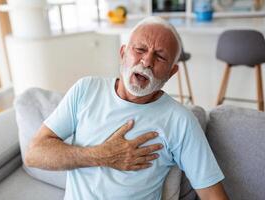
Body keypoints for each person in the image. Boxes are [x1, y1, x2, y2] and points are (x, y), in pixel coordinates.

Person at [25, 16, 229, 200]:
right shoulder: (86, 89)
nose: (147, 61)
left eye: (160, 57)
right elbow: (34, 154)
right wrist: (100, 155)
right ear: (123, 53)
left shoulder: (180, 120)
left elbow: (213, 194)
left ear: (171, 72)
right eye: (140, 49)